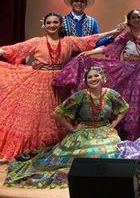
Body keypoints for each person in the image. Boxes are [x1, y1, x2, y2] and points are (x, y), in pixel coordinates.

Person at [53, 9, 140, 141]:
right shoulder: (125, 36)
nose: (137, 19)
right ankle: (128, 132)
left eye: (139, 17)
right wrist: (89, 53)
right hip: (130, 71)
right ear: (129, 21)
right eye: (133, 17)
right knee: (131, 102)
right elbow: (109, 48)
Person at [0, 13, 122, 161]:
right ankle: (36, 149)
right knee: (40, 117)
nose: (52, 25)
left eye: (55, 22)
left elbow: (90, 39)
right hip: (39, 81)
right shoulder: (36, 41)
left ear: (60, 24)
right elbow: (13, 49)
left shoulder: (68, 41)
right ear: (44, 25)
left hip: (61, 81)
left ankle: (60, 147)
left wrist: (114, 31)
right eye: (49, 22)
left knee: (61, 114)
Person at [4, 66, 129, 188]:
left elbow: (124, 108)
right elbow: (57, 113)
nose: (93, 79)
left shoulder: (111, 94)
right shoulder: (80, 96)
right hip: (84, 133)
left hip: (105, 131)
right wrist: (73, 129)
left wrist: (114, 124)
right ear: (86, 81)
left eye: (96, 75)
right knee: (87, 156)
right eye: (90, 77)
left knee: (114, 152)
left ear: (103, 78)